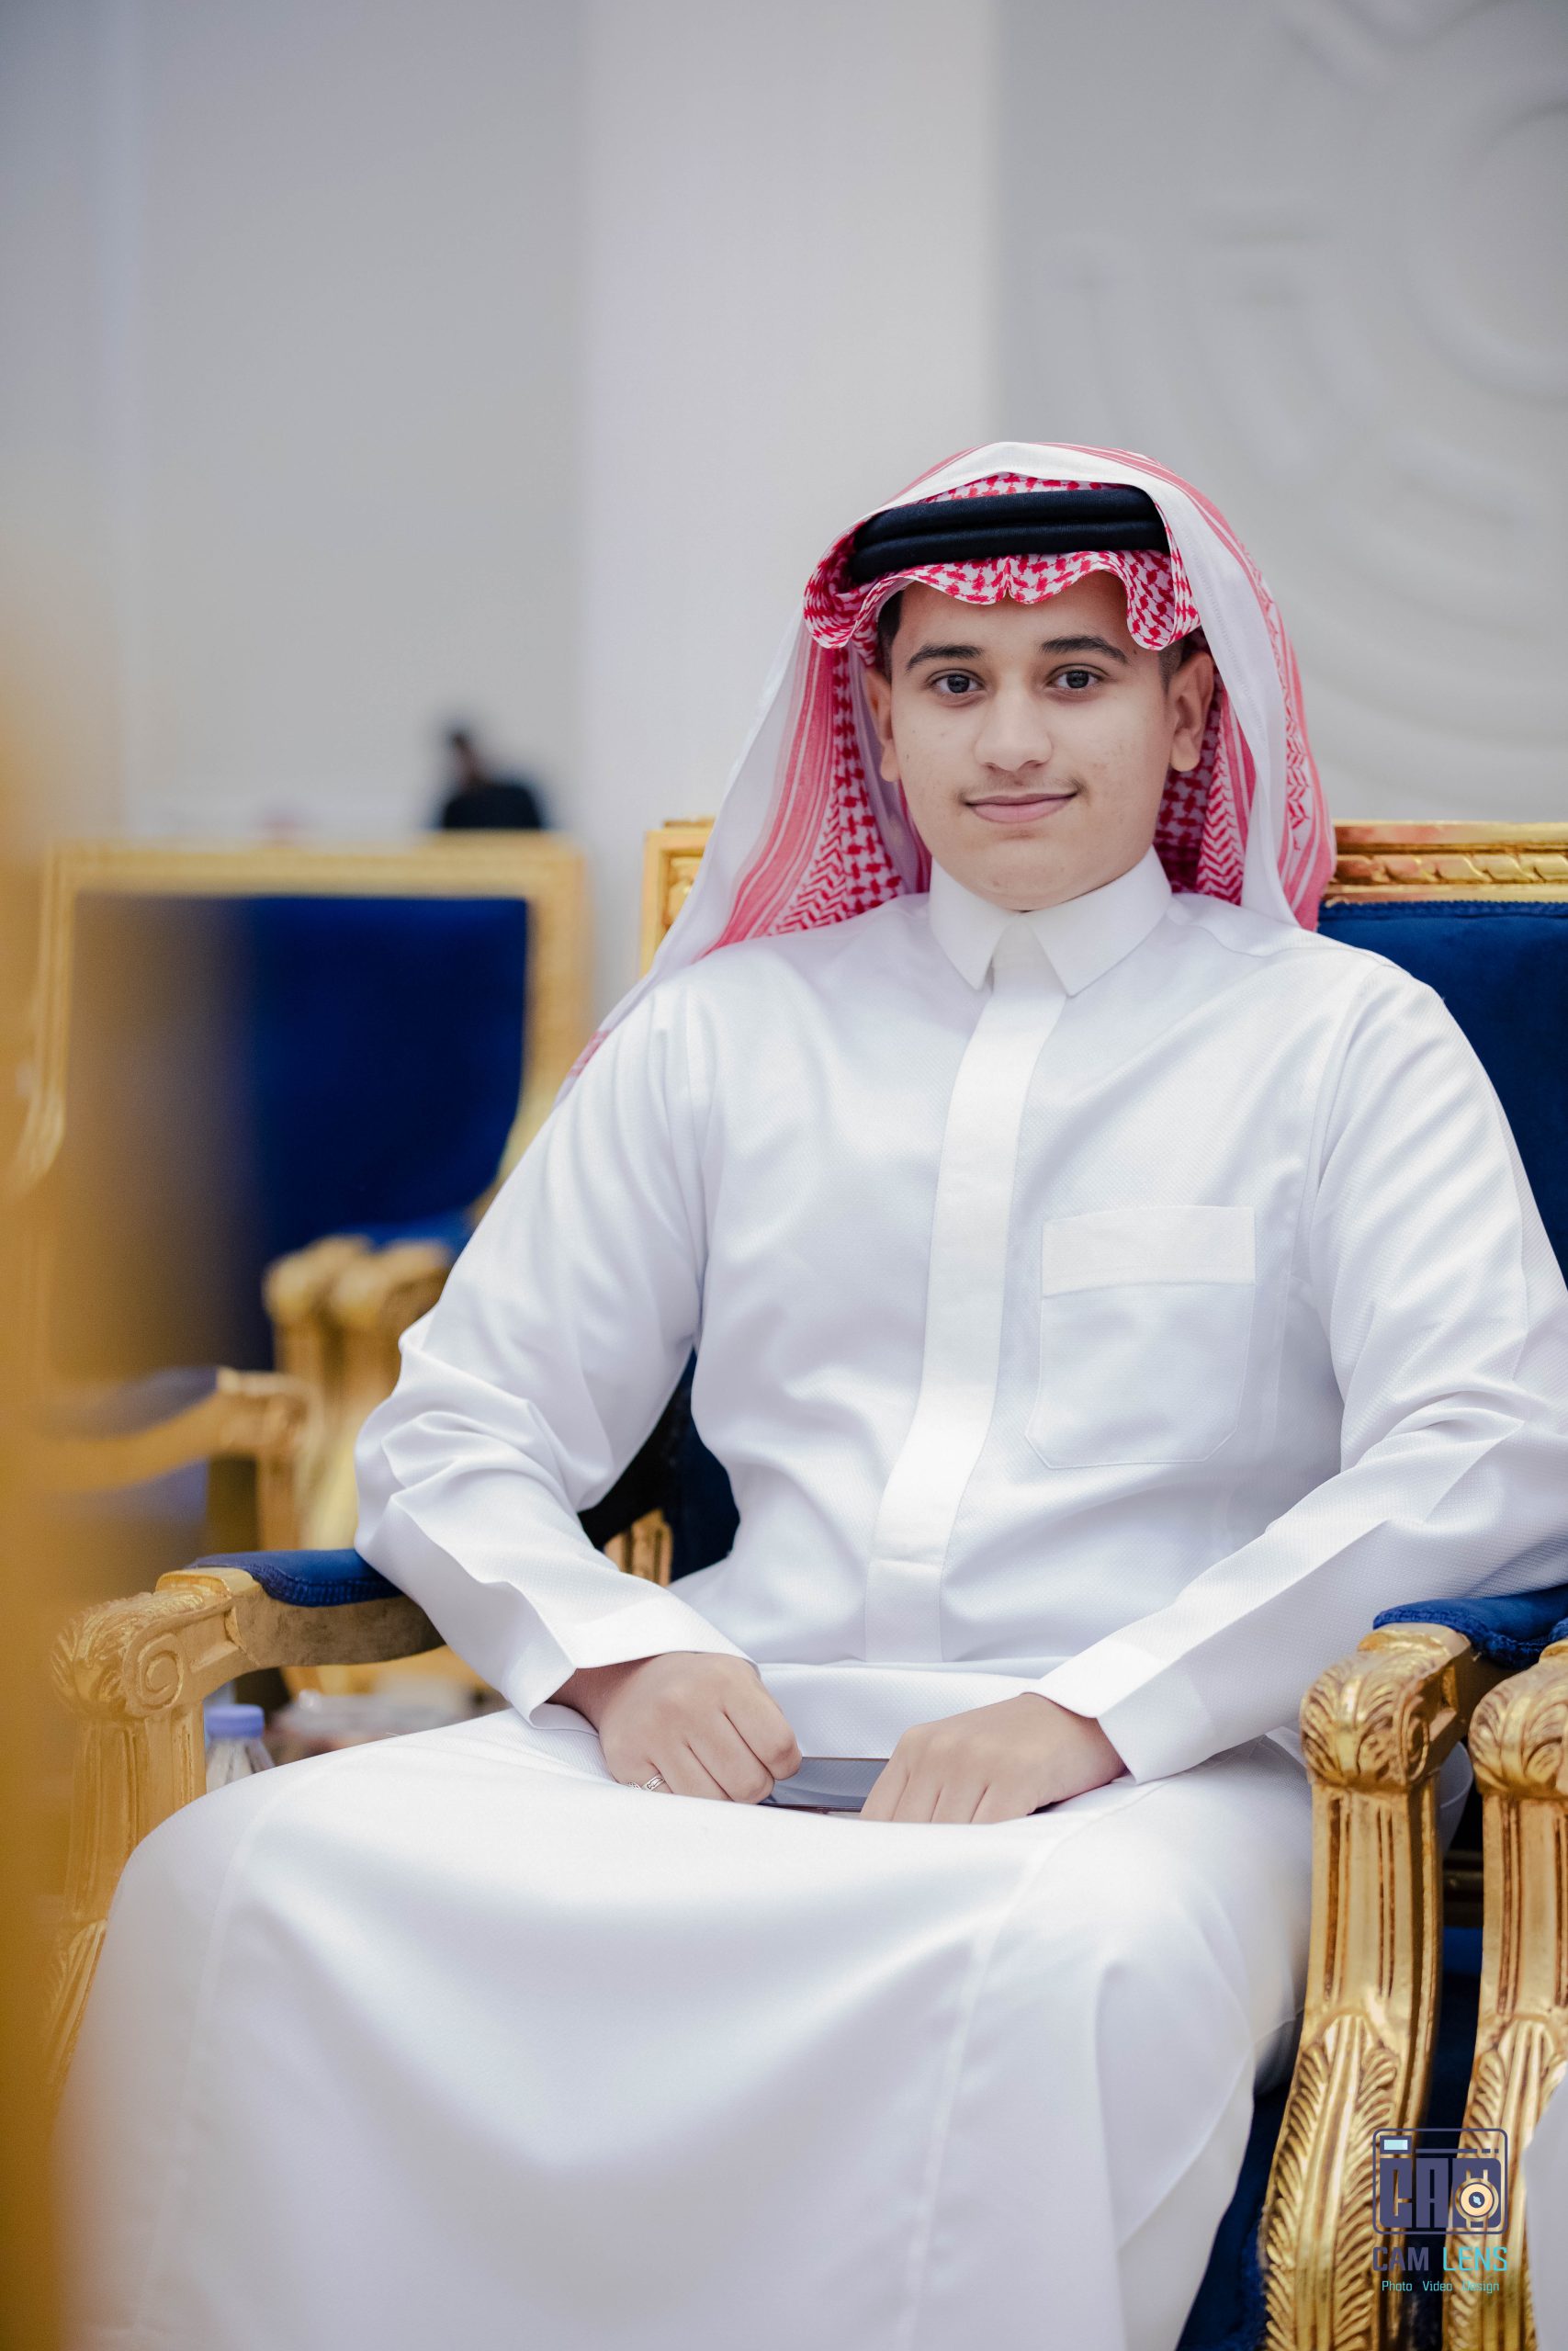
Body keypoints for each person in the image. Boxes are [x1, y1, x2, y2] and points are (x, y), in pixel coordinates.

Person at [60, 445, 1568, 2351]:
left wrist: (1096, 1706)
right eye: (953, 680)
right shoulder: (725, 1035)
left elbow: (1485, 1444)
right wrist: (615, 1655)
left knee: (1060, 1971)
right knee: (242, 1875)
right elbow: (457, 1427)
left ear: (1187, 710)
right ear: (877, 713)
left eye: (1077, 676)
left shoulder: (1342, 1043)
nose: (1009, 738)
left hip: (1164, 1773)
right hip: (723, 1724)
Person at [434, 721, 548, 830]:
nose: (465, 764)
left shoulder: (517, 796)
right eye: (459, 760)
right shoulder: (455, 809)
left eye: (468, 755)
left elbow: (537, 836)